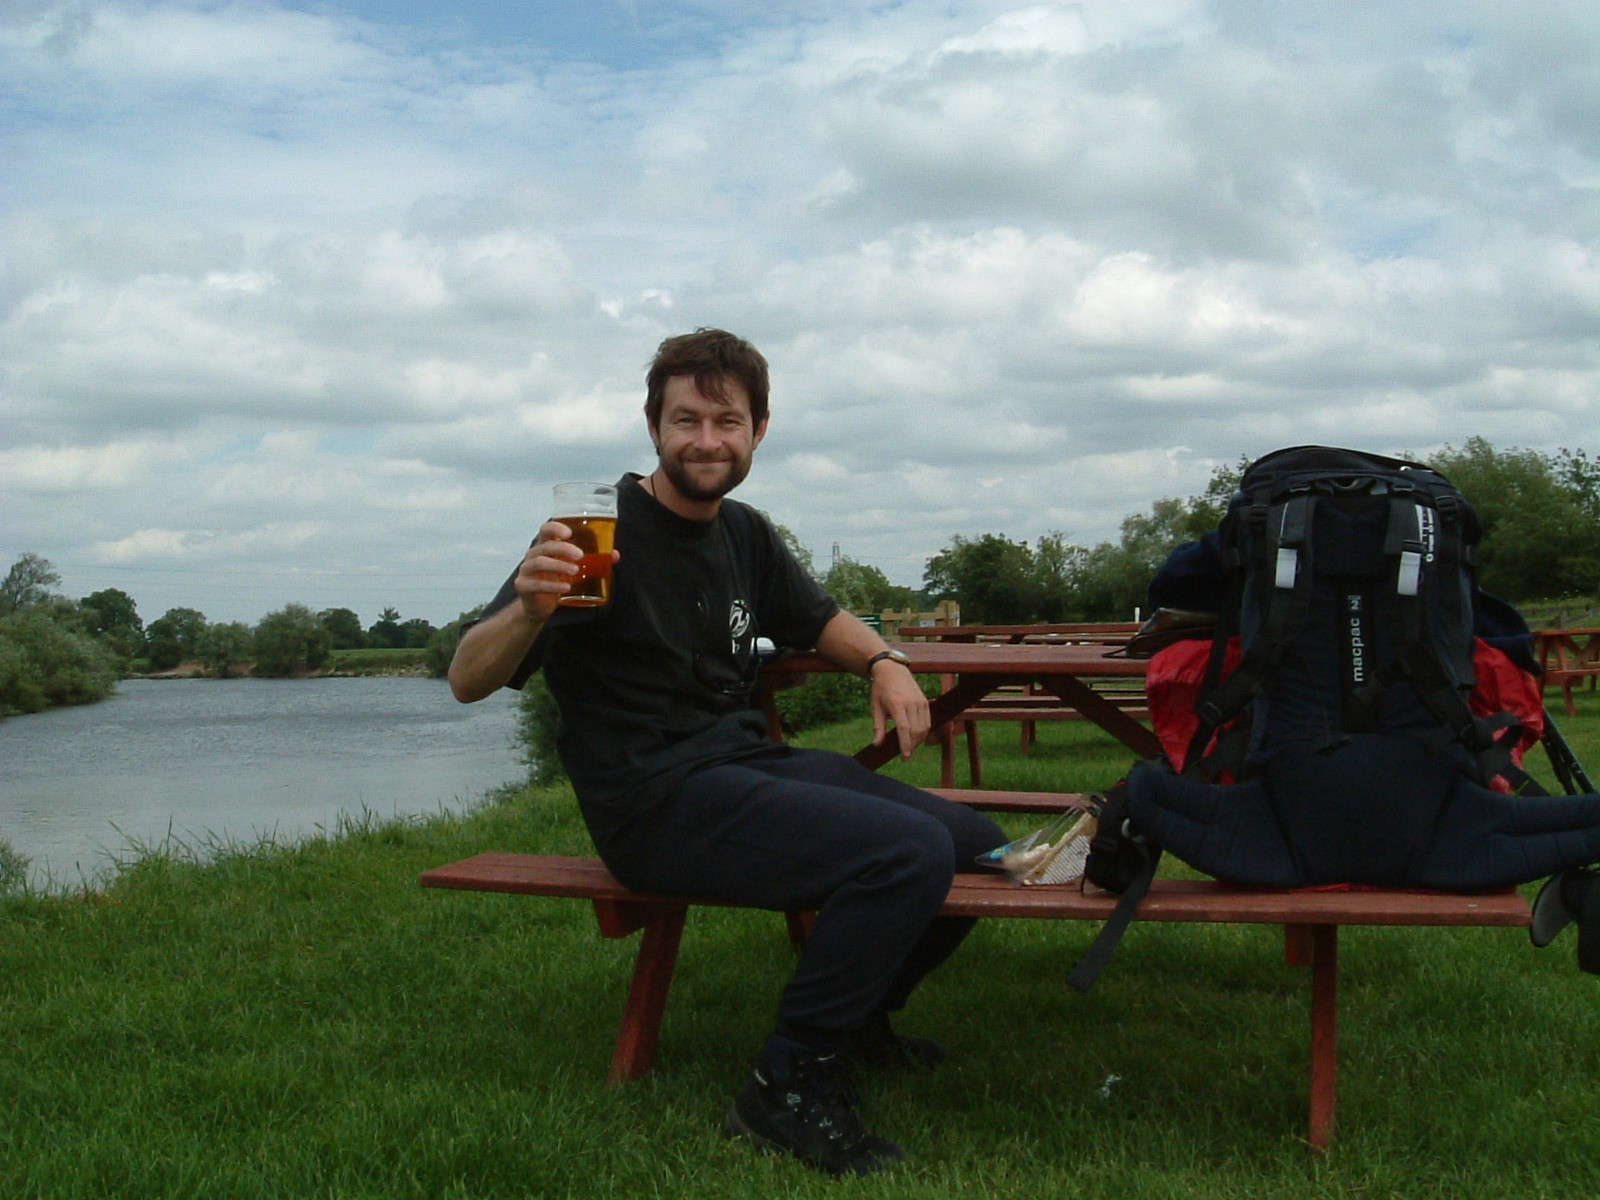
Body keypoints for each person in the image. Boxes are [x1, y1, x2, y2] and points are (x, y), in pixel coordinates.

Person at [449, 328, 1004, 1176]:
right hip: (651, 799)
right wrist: (527, 610)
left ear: (759, 431)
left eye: (727, 422)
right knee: (906, 852)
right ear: (654, 427)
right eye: (686, 420)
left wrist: (887, 663)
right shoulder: (593, 533)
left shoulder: (743, 531)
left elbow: (819, 617)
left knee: (976, 843)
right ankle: (785, 1085)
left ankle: (856, 1022)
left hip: (740, 765)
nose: (707, 441)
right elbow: (466, 678)